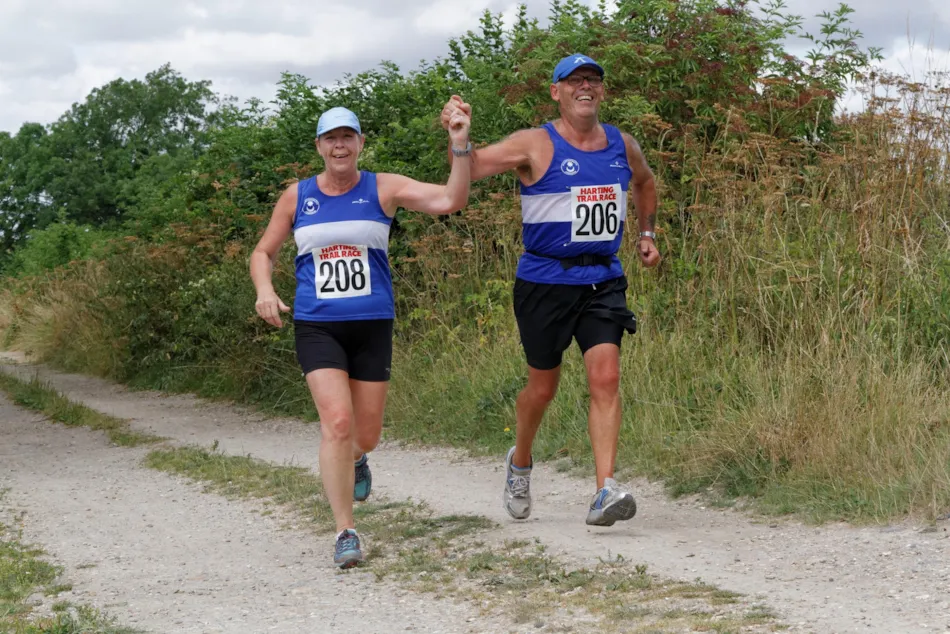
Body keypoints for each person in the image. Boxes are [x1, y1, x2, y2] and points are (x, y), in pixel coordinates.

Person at [441, 54, 660, 527]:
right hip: (544, 282)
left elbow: (645, 183)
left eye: (594, 79)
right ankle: (520, 462)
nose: (586, 86)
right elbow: (472, 168)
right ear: (556, 92)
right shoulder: (535, 143)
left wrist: (647, 234)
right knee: (543, 389)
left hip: (602, 279)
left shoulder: (622, 144)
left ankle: (604, 491)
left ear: (602, 91)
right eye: (575, 80)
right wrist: (459, 139)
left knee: (606, 378)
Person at [251, 104, 473, 568]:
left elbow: (451, 200)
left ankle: (356, 459)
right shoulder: (297, 197)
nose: (340, 146)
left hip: (372, 325)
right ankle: (345, 532)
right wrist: (265, 291)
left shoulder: (382, 187)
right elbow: (263, 252)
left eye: (347, 137)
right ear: (319, 147)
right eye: (331, 138)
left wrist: (458, 144)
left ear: (360, 143)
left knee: (365, 435)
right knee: (336, 422)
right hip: (317, 326)